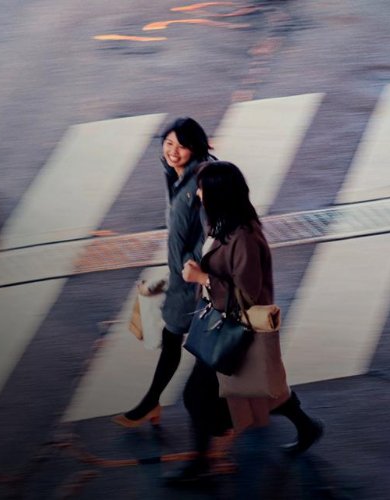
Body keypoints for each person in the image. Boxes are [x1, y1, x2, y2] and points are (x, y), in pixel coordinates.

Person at [168, 161, 323, 485]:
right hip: (224, 323)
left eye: (202, 189)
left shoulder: (245, 237)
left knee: (197, 395)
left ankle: (200, 465)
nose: (198, 194)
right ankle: (306, 427)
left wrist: (203, 278)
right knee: (257, 389)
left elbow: (247, 293)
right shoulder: (225, 224)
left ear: (219, 195)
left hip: (236, 328)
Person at [112, 118, 213, 428]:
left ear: (195, 147)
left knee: (182, 340)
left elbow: (213, 234)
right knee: (185, 340)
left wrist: (191, 264)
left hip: (195, 280)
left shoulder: (202, 183)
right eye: (168, 144)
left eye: (181, 146)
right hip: (184, 275)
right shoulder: (177, 175)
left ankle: (151, 403)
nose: (173, 151)